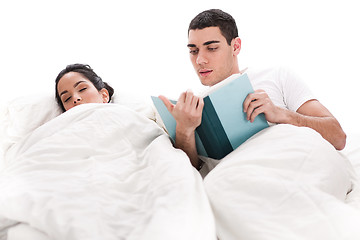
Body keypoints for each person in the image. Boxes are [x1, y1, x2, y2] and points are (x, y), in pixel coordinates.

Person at [159, 9, 346, 170]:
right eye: (193, 51)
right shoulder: (192, 109)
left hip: (287, 168)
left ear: (236, 46)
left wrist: (282, 115)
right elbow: (191, 177)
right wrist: (185, 130)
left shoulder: (276, 75)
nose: (200, 60)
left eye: (212, 48)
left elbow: (338, 137)